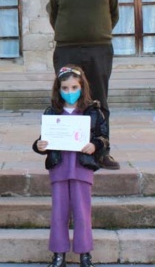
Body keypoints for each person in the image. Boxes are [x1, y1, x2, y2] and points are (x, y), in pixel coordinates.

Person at [48, 0, 120, 170]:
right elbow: (54, 13)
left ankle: (101, 150)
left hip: (98, 49)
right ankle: (63, 148)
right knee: (66, 96)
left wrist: (98, 32)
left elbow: (114, 13)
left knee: (99, 98)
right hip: (66, 49)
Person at [33, 65, 109, 267]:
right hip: (59, 167)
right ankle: (59, 254)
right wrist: (39, 145)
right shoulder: (52, 112)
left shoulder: (93, 111)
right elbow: (43, 140)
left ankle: (85, 254)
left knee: (82, 212)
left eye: (74, 87)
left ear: (82, 87)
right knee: (59, 212)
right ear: (58, 89)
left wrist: (95, 145)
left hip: (82, 168)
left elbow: (104, 138)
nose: (69, 92)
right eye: (65, 88)